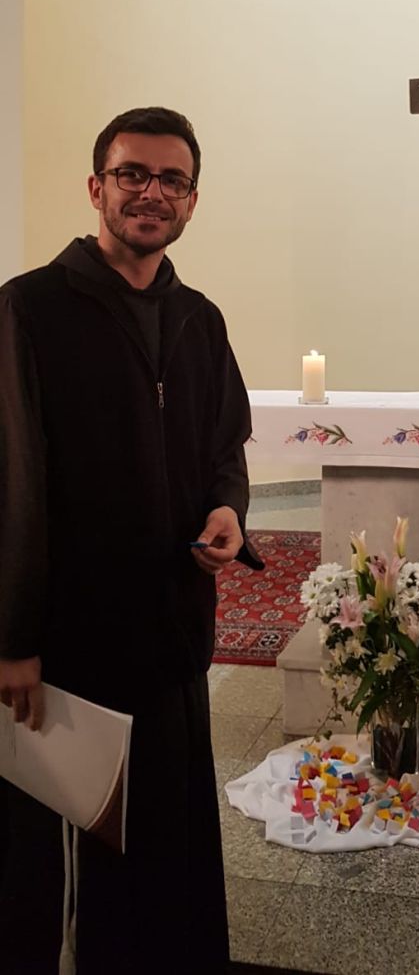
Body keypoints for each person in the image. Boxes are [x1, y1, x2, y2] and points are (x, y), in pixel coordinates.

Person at [0, 107, 261, 974]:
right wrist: (14, 639)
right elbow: (13, 479)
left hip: (173, 631)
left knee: (165, 843)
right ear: (96, 187)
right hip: (72, 642)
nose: (152, 193)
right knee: (67, 859)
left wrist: (228, 512)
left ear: (192, 200)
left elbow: (223, 448)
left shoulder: (199, 317)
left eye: (172, 180)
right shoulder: (30, 308)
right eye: (132, 174)